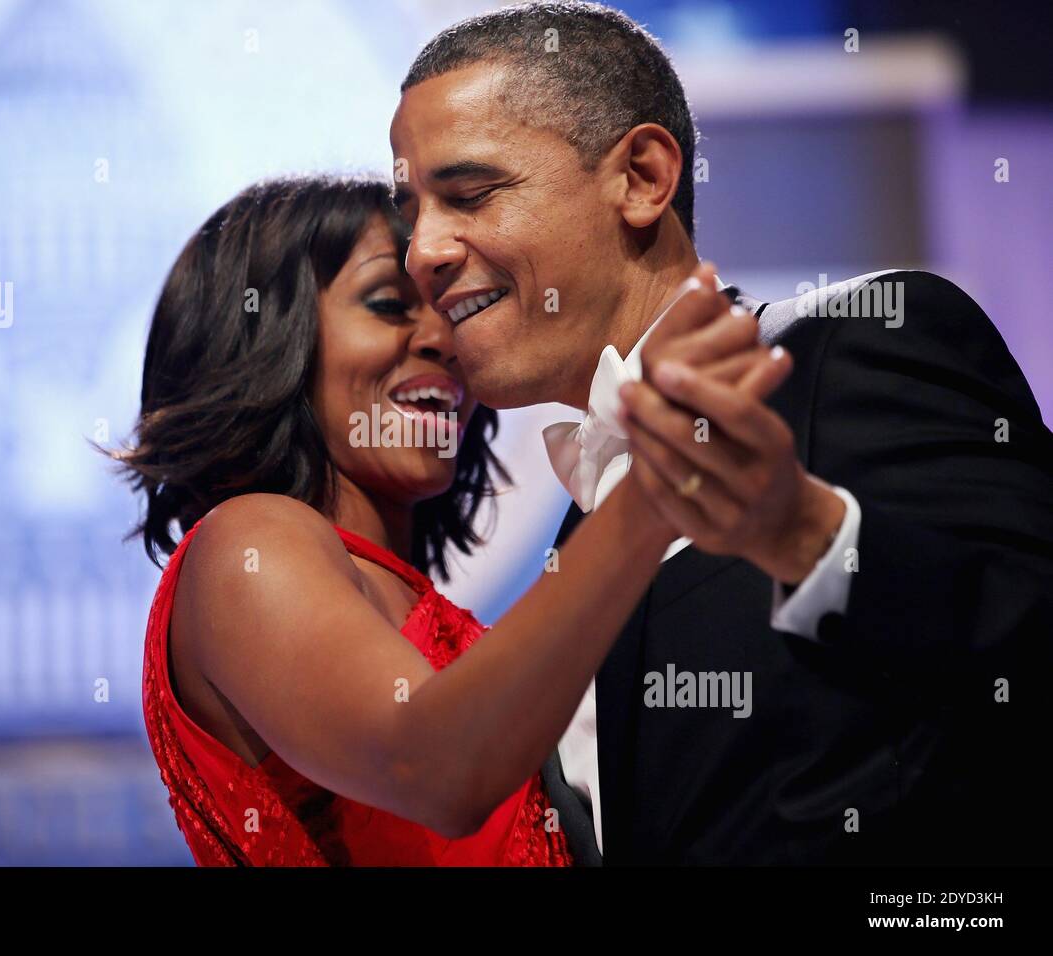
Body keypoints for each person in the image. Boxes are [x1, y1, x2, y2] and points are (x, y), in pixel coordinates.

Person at [391, 1, 1053, 864]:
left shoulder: (852, 349)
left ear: (642, 177)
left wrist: (810, 536)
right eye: (411, 215)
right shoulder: (586, 541)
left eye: (470, 195)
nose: (422, 253)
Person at [110, 175, 783, 865]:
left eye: (452, 310)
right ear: (261, 342)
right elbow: (435, 770)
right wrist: (649, 492)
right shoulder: (244, 544)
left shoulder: (408, 602)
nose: (444, 339)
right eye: (388, 305)